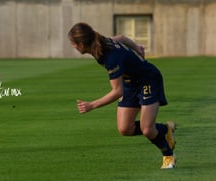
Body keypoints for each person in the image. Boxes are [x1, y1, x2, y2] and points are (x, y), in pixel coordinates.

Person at [68, 22, 176, 169]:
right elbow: (122, 38)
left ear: (81, 44)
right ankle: (164, 129)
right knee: (125, 128)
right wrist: (137, 48)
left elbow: (117, 91)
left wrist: (91, 105)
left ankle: (168, 156)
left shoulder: (110, 57)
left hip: (148, 80)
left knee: (147, 129)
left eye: (73, 44)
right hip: (130, 83)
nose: (73, 47)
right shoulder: (101, 42)